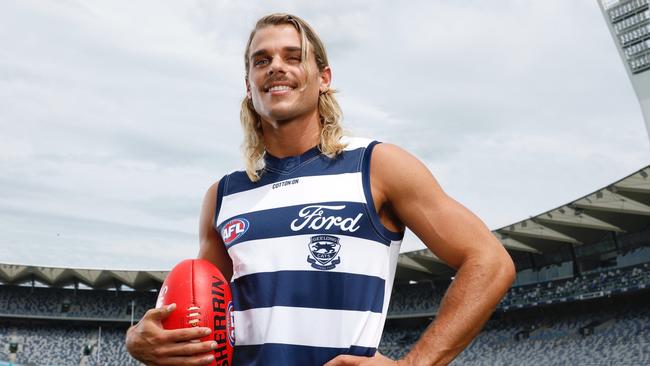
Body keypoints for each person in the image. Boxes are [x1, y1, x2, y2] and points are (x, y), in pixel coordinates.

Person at [125, 13, 515, 366]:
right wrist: (141, 339)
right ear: (249, 85)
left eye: (292, 57)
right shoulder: (223, 195)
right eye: (261, 60)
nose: (276, 66)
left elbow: (489, 261)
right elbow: (201, 311)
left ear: (324, 78)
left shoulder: (377, 166)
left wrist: (414, 365)